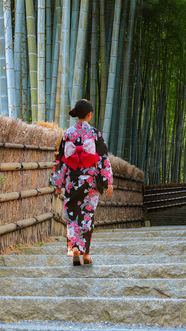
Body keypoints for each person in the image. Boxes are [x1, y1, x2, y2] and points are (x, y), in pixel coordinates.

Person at [50, 99, 113, 266]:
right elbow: (103, 159)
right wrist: (108, 182)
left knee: (72, 215)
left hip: (72, 180)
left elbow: (61, 159)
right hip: (90, 182)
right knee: (87, 215)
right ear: (90, 114)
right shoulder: (94, 133)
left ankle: (75, 248)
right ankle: (85, 254)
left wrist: (58, 181)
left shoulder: (68, 133)